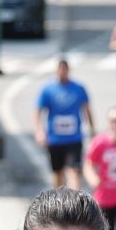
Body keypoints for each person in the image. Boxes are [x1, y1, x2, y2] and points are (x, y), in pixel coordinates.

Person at [36, 60, 94, 190]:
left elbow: (87, 109)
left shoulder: (79, 88)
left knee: (74, 170)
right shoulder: (48, 90)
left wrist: (92, 129)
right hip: (55, 139)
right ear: (56, 71)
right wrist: (39, 131)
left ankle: (75, 204)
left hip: (74, 138)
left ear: (68, 70)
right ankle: (57, 202)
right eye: (60, 70)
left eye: (65, 70)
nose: (62, 72)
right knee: (58, 172)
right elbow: (38, 111)